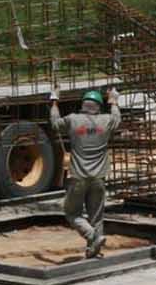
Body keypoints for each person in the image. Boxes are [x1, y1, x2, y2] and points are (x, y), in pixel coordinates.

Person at [51, 86, 120, 258]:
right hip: (98, 177)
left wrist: (54, 100)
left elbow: (55, 124)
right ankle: (94, 249)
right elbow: (117, 117)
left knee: (72, 213)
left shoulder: (73, 120)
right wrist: (114, 100)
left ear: (84, 104)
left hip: (78, 177)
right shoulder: (106, 121)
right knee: (96, 216)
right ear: (98, 106)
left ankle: (92, 236)